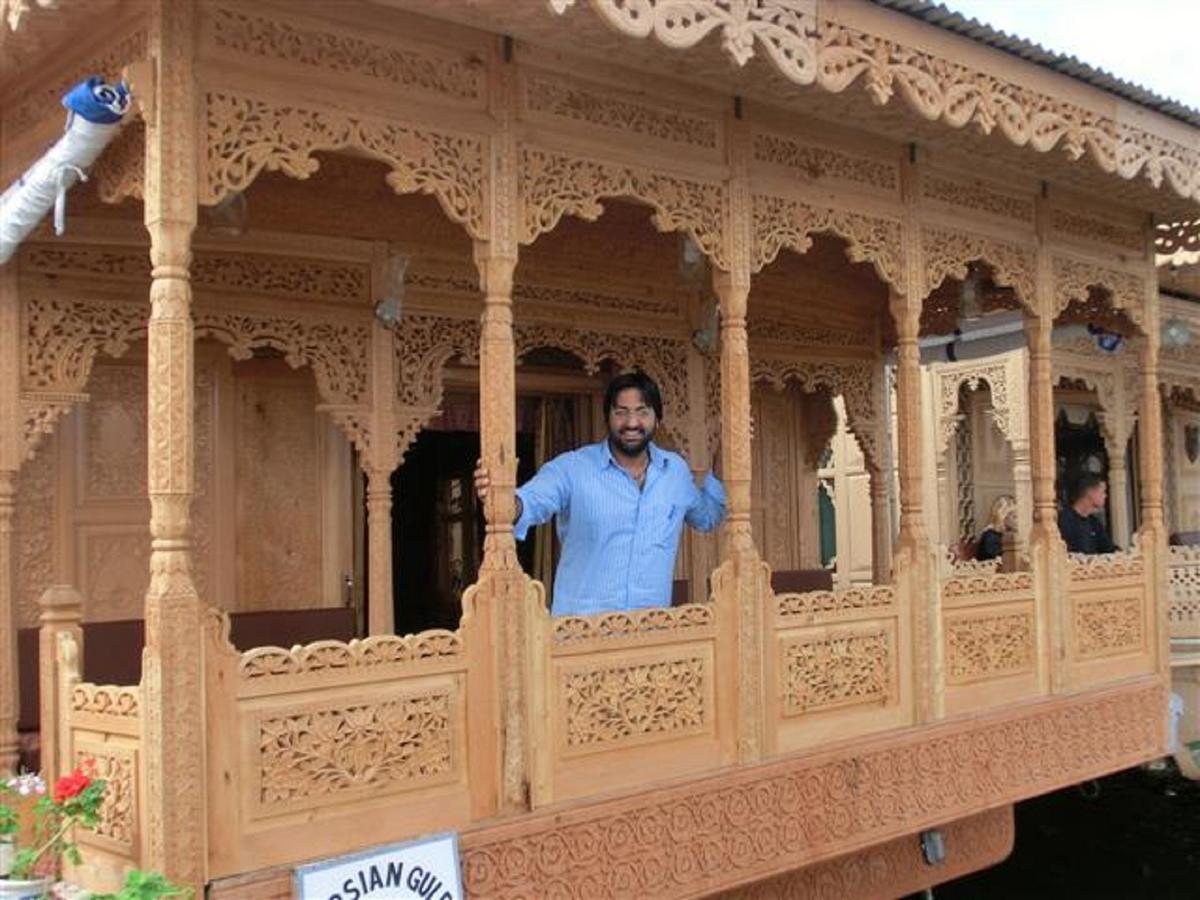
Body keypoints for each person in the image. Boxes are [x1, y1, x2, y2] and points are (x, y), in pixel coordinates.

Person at [474, 371, 726, 616]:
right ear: (608, 417)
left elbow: (708, 515)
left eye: (642, 412)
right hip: (581, 639)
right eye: (621, 412)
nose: (631, 423)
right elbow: (530, 503)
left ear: (657, 419)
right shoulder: (572, 468)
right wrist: (504, 499)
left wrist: (727, 449)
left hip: (649, 638)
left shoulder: (675, 472)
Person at [1058, 473, 1117, 555]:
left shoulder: (1094, 523)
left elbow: (1109, 549)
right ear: (1090, 492)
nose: (1105, 496)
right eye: (1103, 492)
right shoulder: (1064, 520)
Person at [975, 495, 1016, 562]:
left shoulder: (1009, 534)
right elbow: (1003, 558)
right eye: (1014, 517)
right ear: (1002, 516)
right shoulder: (990, 536)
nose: (1018, 520)